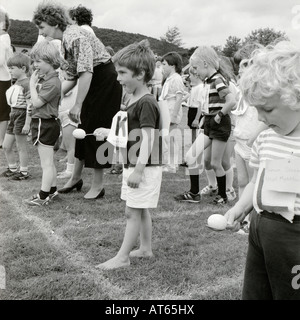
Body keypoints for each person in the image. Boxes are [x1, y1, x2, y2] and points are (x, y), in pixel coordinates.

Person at [225, 41, 300, 300]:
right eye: (256, 109)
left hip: (294, 235)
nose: (259, 117)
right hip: (260, 229)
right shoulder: (266, 138)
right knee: (256, 293)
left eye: (266, 109)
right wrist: (239, 208)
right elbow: (257, 180)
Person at [32, 2, 122, 200]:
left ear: (53, 22)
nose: (41, 32)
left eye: (42, 27)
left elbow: (87, 72)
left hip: (103, 81)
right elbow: (72, 76)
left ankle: (98, 186)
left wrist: (78, 104)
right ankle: (75, 178)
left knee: (98, 132)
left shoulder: (75, 36)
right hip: (91, 81)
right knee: (82, 129)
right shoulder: (66, 39)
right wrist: (51, 96)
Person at [95, 40, 162, 270]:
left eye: (122, 73)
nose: (118, 78)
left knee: (131, 211)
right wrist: (109, 132)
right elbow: (128, 130)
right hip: (132, 164)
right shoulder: (132, 98)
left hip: (142, 167)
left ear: (141, 74)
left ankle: (122, 258)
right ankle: (145, 248)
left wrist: (139, 170)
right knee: (139, 208)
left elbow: (148, 139)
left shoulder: (146, 103)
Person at [175, 46, 236, 204]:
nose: (195, 72)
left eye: (195, 68)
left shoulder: (217, 80)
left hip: (220, 123)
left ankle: (222, 195)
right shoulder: (208, 82)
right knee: (190, 156)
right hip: (209, 124)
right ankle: (194, 193)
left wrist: (220, 114)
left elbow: (231, 101)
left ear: (205, 64)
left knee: (216, 163)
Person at [24, 40, 62, 206]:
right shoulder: (48, 80)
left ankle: (43, 196)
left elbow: (37, 103)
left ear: (51, 61)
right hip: (44, 122)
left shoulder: (53, 82)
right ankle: (52, 191)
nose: (35, 65)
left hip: (45, 123)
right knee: (49, 161)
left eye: (39, 61)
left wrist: (31, 84)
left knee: (45, 163)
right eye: (34, 61)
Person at [0, 53, 31, 180]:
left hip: (22, 115)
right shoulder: (16, 82)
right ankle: (12, 168)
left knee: (21, 146)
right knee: (6, 145)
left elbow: (30, 105)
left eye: (12, 68)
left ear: (23, 69)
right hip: (13, 114)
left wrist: (27, 123)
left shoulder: (27, 84)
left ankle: (24, 172)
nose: (10, 71)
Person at [159, 51, 185, 172]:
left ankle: (172, 164)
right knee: (166, 137)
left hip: (171, 111)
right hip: (166, 109)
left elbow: (179, 98)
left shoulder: (177, 79)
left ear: (172, 65)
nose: (162, 67)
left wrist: (174, 115)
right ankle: (169, 162)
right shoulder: (169, 78)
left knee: (171, 138)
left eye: (164, 64)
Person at [0, 6, 13, 148]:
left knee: (2, 112)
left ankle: (1, 140)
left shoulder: (3, 37)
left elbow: (0, 60)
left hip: (2, 79)